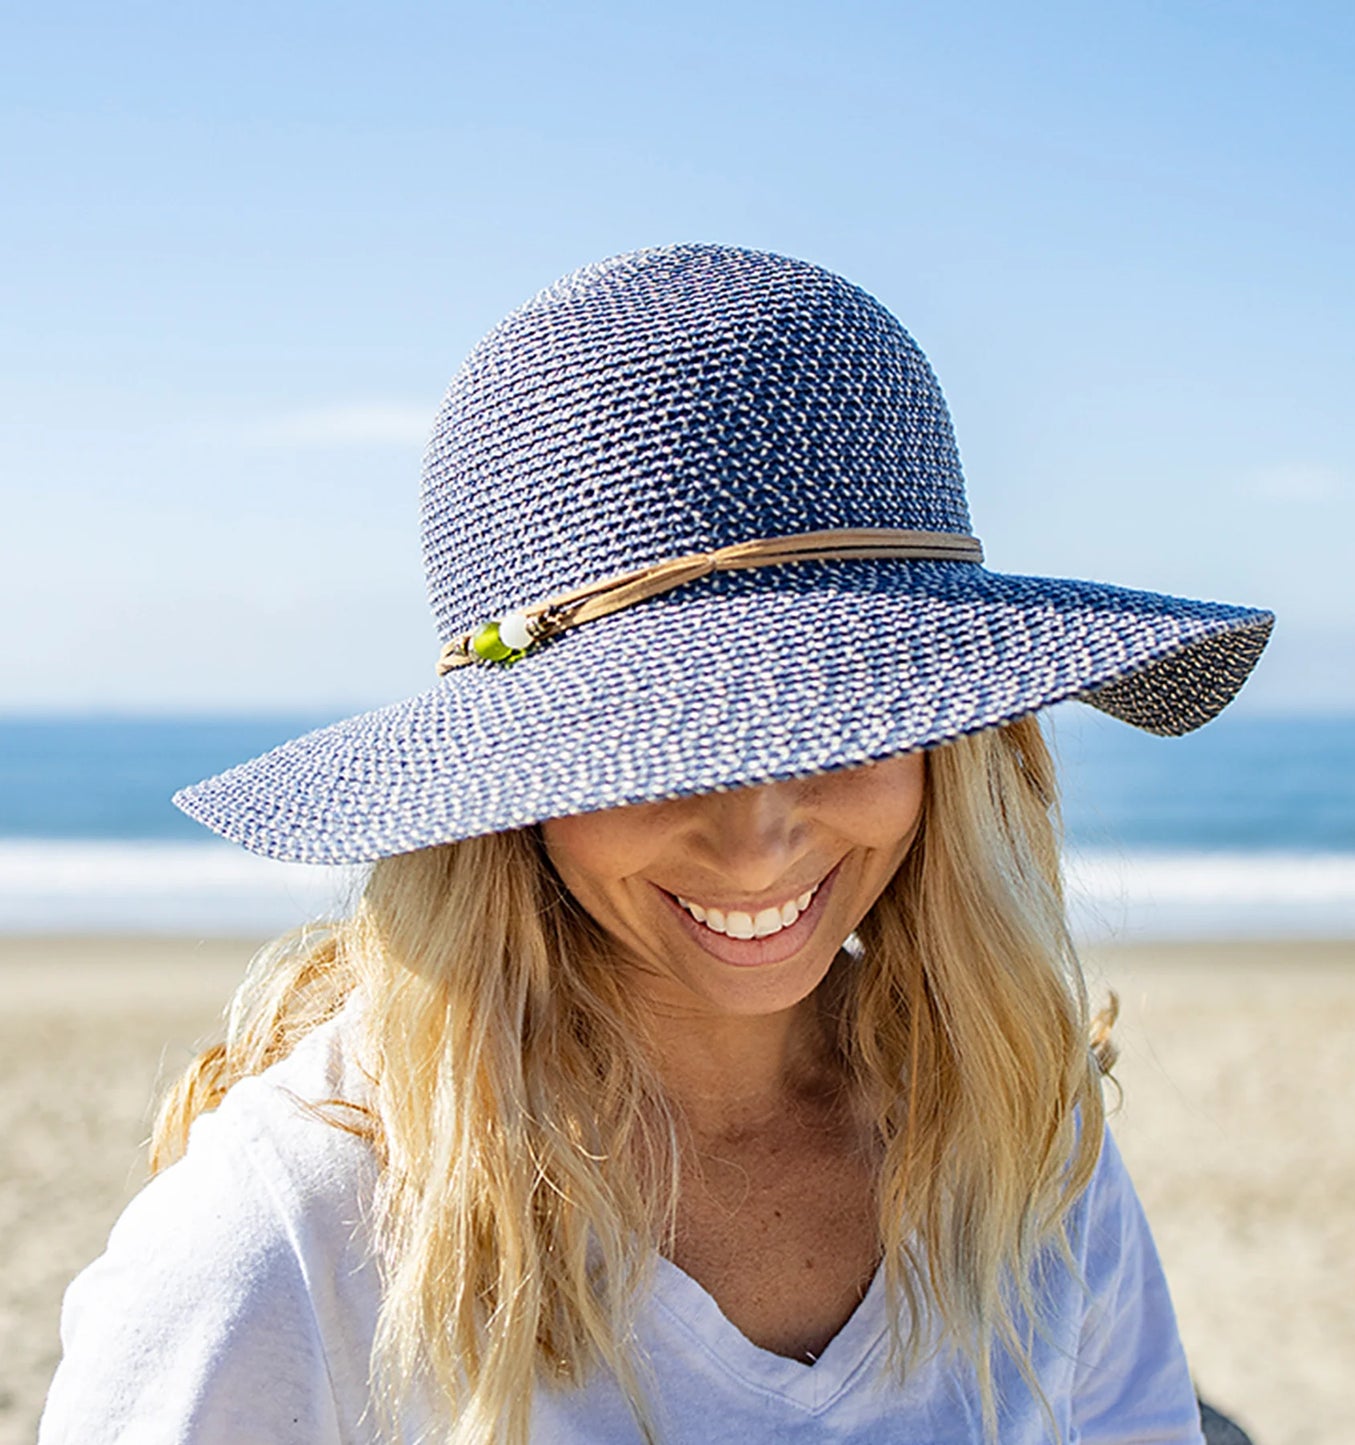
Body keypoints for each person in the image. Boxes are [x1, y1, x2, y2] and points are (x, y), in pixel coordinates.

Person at [40, 244, 1272, 1444]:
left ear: (954, 744)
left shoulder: (1016, 1133)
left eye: (835, 718)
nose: (753, 843)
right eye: (652, 751)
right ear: (509, 786)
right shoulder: (291, 1234)